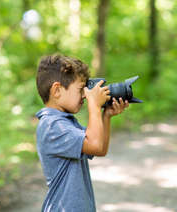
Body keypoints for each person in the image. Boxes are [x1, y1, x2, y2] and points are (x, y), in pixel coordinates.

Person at [35, 54, 129, 212]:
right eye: (81, 89)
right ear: (57, 90)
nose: (85, 95)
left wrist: (105, 116)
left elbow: (99, 149)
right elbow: (95, 144)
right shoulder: (52, 126)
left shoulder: (64, 121)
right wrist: (94, 105)